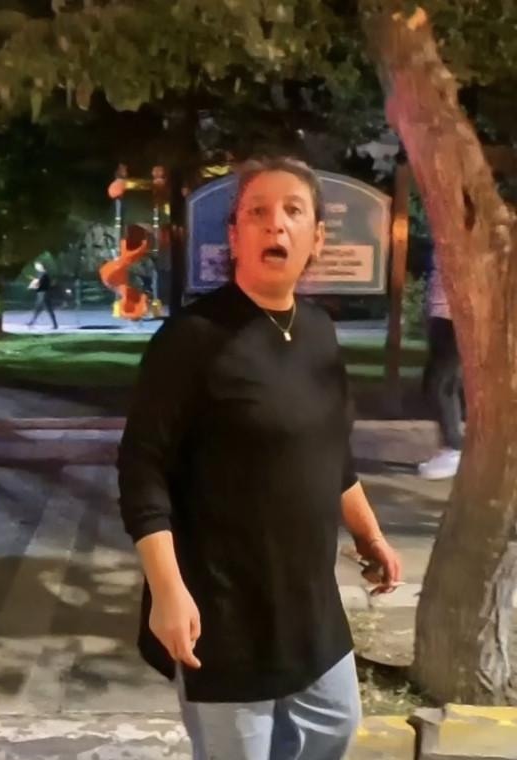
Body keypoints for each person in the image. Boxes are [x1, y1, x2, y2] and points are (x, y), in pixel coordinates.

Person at [119, 157, 402, 760]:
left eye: (293, 211)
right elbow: (142, 471)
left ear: (316, 238)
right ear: (235, 236)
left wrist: (370, 534)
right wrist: (167, 590)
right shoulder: (191, 339)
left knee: (334, 727)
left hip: (309, 602)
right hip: (222, 608)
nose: (276, 224)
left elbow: (331, 452)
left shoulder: (319, 331)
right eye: (257, 212)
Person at [417, 258, 462, 480]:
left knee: (440, 384)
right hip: (443, 315)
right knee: (439, 383)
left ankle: (453, 449)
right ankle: (450, 446)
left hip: (452, 317)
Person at [27, 261, 58, 329]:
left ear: (41, 266)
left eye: (37, 266)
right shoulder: (40, 274)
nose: (36, 268)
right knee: (39, 309)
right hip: (41, 293)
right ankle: (32, 322)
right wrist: (34, 282)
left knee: (47, 309)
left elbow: (42, 283)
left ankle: (55, 324)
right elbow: (39, 282)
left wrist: (34, 284)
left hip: (44, 294)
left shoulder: (44, 274)